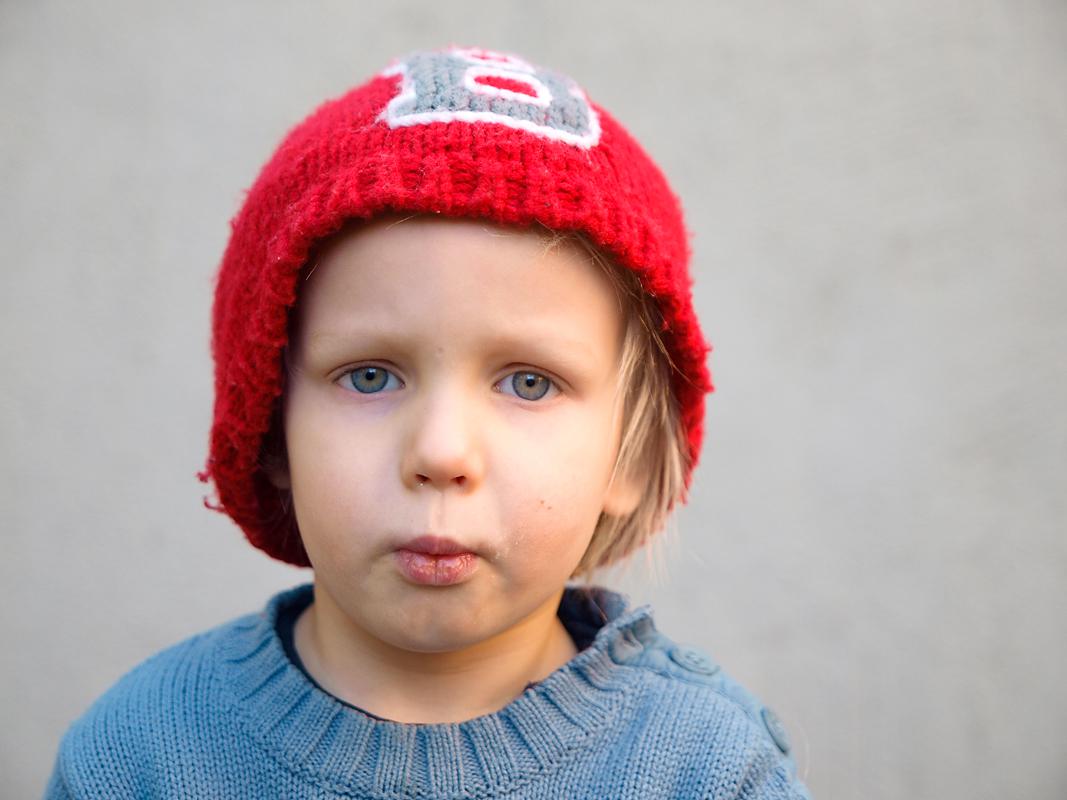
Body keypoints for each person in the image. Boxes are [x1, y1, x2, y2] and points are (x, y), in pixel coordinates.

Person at [45, 47, 811, 798]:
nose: (441, 452)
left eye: (529, 383)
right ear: (271, 425)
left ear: (632, 456)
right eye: (370, 376)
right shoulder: (140, 756)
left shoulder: (709, 771)